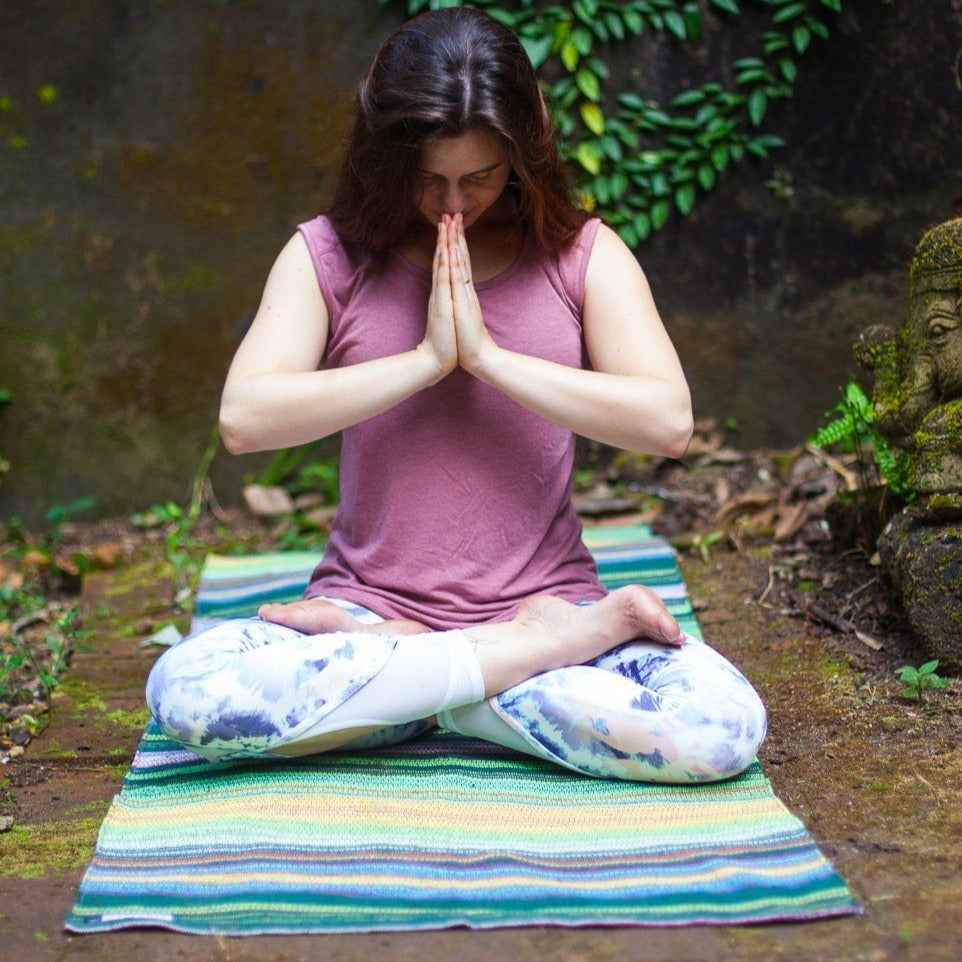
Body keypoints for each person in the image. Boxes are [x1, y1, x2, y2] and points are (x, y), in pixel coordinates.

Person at [146, 6, 766, 782]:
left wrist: (488, 358)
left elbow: (668, 422)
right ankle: (495, 670)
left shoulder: (580, 256)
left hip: (536, 606)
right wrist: (428, 359)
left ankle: (416, 681)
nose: (453, 206)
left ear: (523, 151)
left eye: (478, 178)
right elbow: (244, 419)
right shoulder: (330, 256)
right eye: (429, 179)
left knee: (720, 728)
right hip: (375, 616)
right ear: (387, 155)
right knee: (186, 692)